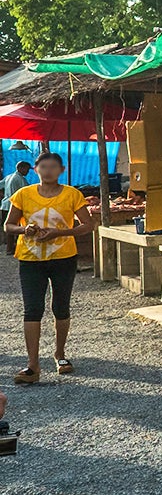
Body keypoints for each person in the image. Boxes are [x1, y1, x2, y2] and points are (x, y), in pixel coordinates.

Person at [7, 151, 94, 384]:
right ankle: (32, 365)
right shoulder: (23, 194)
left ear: (61, 170)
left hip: (64, 257)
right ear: (36, 170)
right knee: (32, 309)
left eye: (53, 167)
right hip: (30, 258)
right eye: (43, 167)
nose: (48, 171)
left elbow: (88, 225)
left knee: (60, 306)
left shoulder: (72, 194)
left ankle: (60, 354)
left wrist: (61, 232)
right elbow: (9, 225)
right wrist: (25, 230)